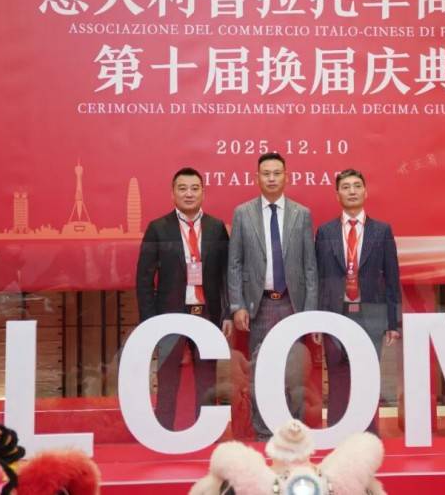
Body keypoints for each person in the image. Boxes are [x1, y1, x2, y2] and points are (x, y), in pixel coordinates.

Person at [228, 152, 318, 439]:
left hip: (292, 304)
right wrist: (237, 305)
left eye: (277, 173)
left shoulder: (301, 214)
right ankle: (263, 432)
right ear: (257, 178)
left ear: (286, 176)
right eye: (266, 173)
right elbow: (235, 263)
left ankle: (294, 430)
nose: (271, 178)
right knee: (261, 370)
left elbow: (310, 266)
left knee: (294, 371)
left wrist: (310, 311)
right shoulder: (243, 213)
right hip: (260, 305)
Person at [136, 167, 231, 430]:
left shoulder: (216, 228)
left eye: (194, 188)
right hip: (169, 316)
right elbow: (144, 280)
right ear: (173, 193)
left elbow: (226, 276)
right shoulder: (158, 228)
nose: (189, 194)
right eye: (182, 188)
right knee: (167, 380)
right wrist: (150, 322)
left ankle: (206, 433)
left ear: (203, 193)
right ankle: (163, 432)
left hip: (207, 314)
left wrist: (227, 313)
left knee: (207, 381)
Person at [315, 168, 402, 433]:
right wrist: (317, 320)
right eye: (345, 187)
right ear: (337, 195)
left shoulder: (382, 231)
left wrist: (393, 322)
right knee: (338, 374)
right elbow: (318, 278)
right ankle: (337, 431)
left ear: (365, 192)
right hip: (335, 314)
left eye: (356, 186)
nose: (351, 191)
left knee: (367, 375)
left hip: (371, 313)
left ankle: (368, 432)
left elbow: (392, 278)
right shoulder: (325, 231)